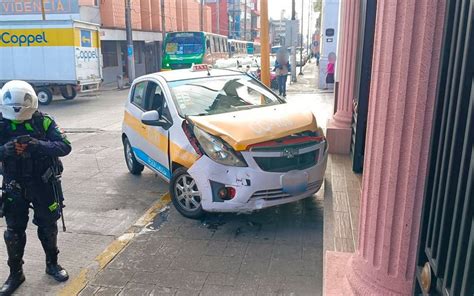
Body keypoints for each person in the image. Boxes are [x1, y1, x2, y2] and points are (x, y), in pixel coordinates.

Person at [0, 81, 72, 296]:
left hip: (43, 183)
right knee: (13, 232)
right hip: (14, 185)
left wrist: (37, 144)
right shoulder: (2, 123)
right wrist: (5, 149)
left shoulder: (44, 122)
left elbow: (65, 146)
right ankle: (15, 274)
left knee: (48, 226)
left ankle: (52, 264)